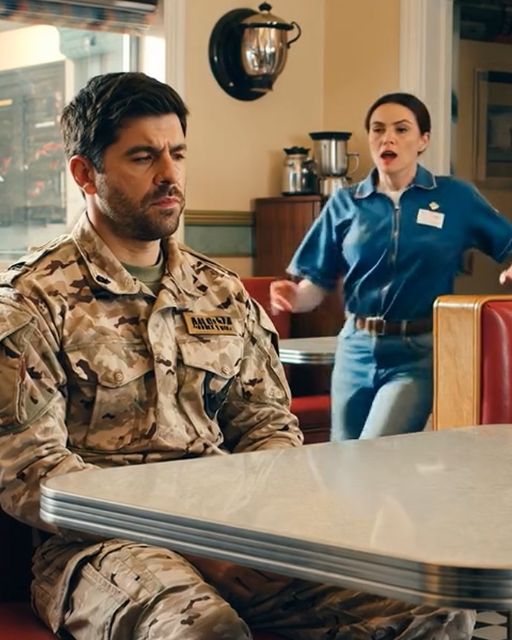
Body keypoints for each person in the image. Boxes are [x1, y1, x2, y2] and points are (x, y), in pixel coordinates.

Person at [0, 74, 475, 640]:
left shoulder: (220, 292)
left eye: (178, 154)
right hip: (101, 548)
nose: (170, 174)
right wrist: (192, 543)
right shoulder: (30, 300)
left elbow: (267, 428)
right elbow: (33, 474)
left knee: (433, 606)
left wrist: (262, 530)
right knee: (205, 631)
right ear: (85, 173)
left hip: (234, 527)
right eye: (144, 157)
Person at [271, 92, 512, 442]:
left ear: (423, 140)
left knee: (374, 449)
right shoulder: (345, 203)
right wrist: (294, 297)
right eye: (378, 129)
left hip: (419, 353)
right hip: (354, 348)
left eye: (401, 129)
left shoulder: (455, 197)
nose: (388, 138)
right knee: (345, 460)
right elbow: (316, 285)